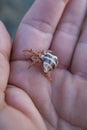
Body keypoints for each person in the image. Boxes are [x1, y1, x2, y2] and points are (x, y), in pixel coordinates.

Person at [0, 0, 87, 129]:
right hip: (49, 58)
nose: (35, 56)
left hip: (49, 60)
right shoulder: (42, 56)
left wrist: (37, 66)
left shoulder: (40, 59)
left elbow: (38, 59)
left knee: (41, 64)